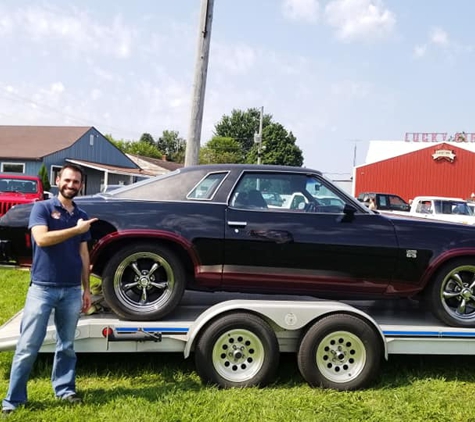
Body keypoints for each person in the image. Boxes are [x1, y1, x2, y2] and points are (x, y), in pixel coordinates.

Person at [2, 164, 97, 415]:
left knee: (66, 345)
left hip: (71, 290)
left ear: (80, 185)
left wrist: (86, 289)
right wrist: (76, 230)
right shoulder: (42, 208)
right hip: (42, 289)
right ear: (58, 180)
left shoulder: (81, 213)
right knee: (27, 346)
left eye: (76, 182)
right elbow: (42, 239)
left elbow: (84, 253)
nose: (71, 185)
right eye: (67, 180)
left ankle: (65, 390)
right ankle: (13, 401)